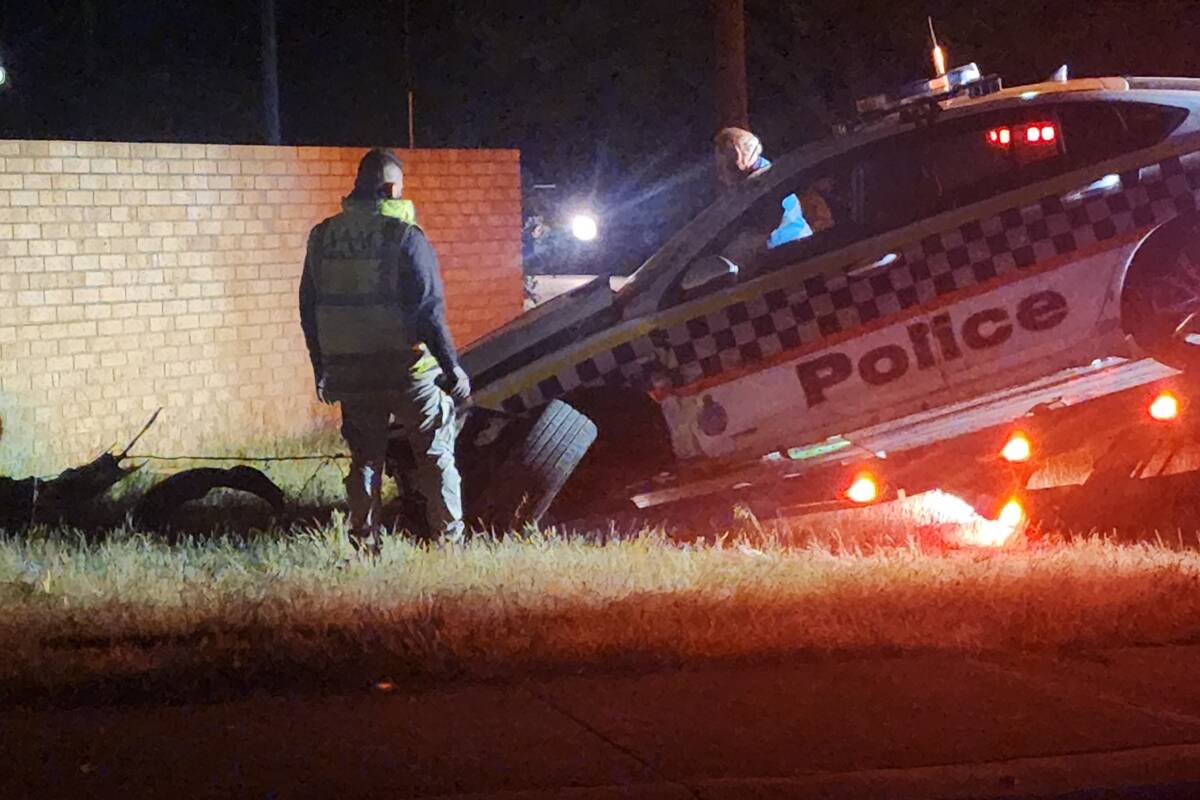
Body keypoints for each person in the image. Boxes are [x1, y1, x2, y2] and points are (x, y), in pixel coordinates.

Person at [299, 147, 471, 551]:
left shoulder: (323, 236)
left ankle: (364, 543)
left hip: (350, 371)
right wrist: (452, 368)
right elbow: (429, 311)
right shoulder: (405, 237)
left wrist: (320, 367)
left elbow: (308, 307)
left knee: (365, 458)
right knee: (434, 455)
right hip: (408, 369)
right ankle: (450, 543)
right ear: (392, 187)